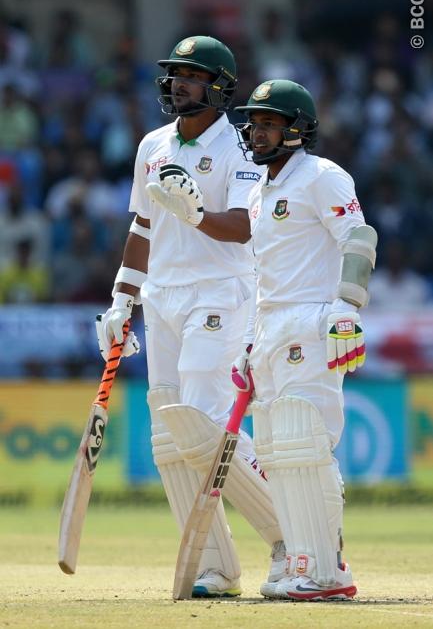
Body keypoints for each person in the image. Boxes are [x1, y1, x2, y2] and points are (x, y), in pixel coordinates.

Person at [96, 36, 284, 598]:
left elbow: (246, 226)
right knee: (167, 437)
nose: (180, 84)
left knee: (201, 422)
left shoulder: (240, 147)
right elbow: (143, 226)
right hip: (162, 297)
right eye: (176, 74)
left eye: (193, 76)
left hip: (219, 292)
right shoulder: (152, 144)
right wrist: (122, 299)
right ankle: (215, 567)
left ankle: (293, 537)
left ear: (219, 87)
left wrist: (197, 214)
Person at [232, 79, 378, 600]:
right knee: (275, 452)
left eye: (270, 123)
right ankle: (299, 559)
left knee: (307, 443)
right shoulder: (257, 191)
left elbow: (359, 237)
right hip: (269, 326)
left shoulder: (322, 176)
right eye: (255, 123)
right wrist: (249, 340)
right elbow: (262, 274)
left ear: (298, 129)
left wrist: (346, 308)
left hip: (314, 321)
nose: (258, 132)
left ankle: (327, 570)